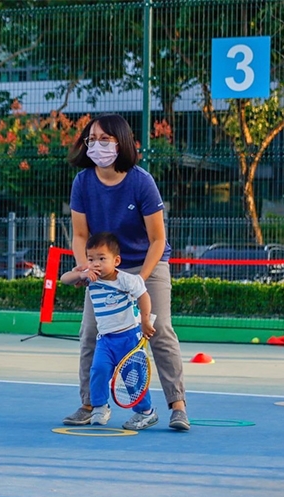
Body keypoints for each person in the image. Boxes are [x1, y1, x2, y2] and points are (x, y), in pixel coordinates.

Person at [63, 113, 189, 431]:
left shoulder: (141, 181)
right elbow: (80, 235)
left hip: (146, 263)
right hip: (103, 267)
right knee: (91, 333)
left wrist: (137, 283)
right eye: (91, 139)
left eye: (105, 139)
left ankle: (177, 406)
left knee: (159, 331)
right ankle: (90, 404)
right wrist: (86, 268)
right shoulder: (83, 182)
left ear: (121, 143)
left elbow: (158, 239)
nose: (97, 145)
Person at [60, 232, 158, 429]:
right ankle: (100, 407)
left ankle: (146, 412)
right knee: (98, 370)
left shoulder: (126, 280)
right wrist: (81, 273)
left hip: (129, 339)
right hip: (105, 340)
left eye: (102, 258)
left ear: (116, 260)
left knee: (133, 378)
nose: (95, 263)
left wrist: (146, 320)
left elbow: (144, 296)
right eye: (91, 258)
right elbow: (64, 279)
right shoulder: (89, 278)